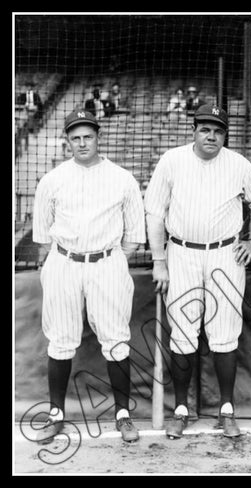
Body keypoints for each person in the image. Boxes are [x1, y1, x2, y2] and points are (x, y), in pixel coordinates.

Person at [144, 104, 251, 439]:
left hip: (226, 255)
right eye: (205, 129)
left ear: (225, 134)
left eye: (218, 130)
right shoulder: (172, 160)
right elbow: (154, 211)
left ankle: (226, 409)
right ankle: (181, 409)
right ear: (194, 130)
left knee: (225, 331)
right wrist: (158, 260)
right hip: (181, 253)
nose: (212, 136)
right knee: (182, 332)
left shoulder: (238, 163)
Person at [32, 110, 146, 444]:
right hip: (63, 261)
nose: (82, 143)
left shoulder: (122, 178)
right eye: (76, 137)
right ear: (68, 141)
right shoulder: (51, 179)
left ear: (98, 137)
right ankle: (56, 414)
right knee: (61, 339)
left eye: (88, 136)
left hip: (106, 262)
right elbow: (42, 235)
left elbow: (134, 236)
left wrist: (107, 259)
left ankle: (123, 415)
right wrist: (58, 265)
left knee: (115, 339)